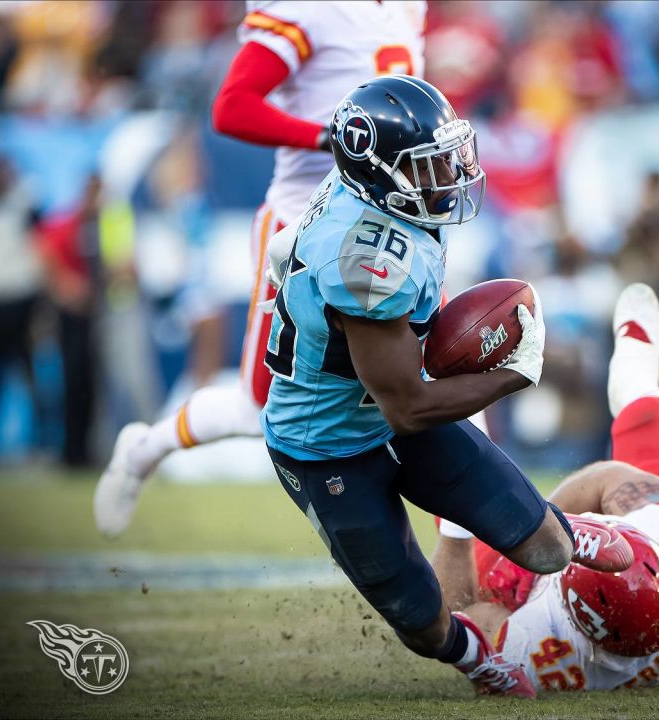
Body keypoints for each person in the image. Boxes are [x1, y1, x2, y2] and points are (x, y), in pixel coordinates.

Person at [259, 76, 633, 698]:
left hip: (380, 411)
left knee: (545, 551)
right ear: (379, 175)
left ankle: (559, 526)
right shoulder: (367, 262)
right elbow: (408, 407)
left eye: (449, 156)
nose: (449, 174)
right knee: (421, 621)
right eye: (428, 166)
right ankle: (476, 659)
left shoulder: (375, 201)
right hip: (326, 448)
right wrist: (513, 373)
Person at [96, 1, 428, 537]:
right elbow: (231, 107)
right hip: (305, 226)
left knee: (428, 373)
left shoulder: (408, 7)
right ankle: (144, 449)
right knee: (259, 405)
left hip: (385, 226)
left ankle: (464, 559)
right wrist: (327, 139)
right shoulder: (311, 10)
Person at [431, 283, 659, 692]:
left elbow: (460, 619)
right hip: (645, 546)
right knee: (652, 412)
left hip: (541, 613)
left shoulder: (533, 649)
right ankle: (633, 374)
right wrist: (533, 530)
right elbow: (607, 478)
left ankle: (438, 380)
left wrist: (509, 550)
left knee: (456, 489)